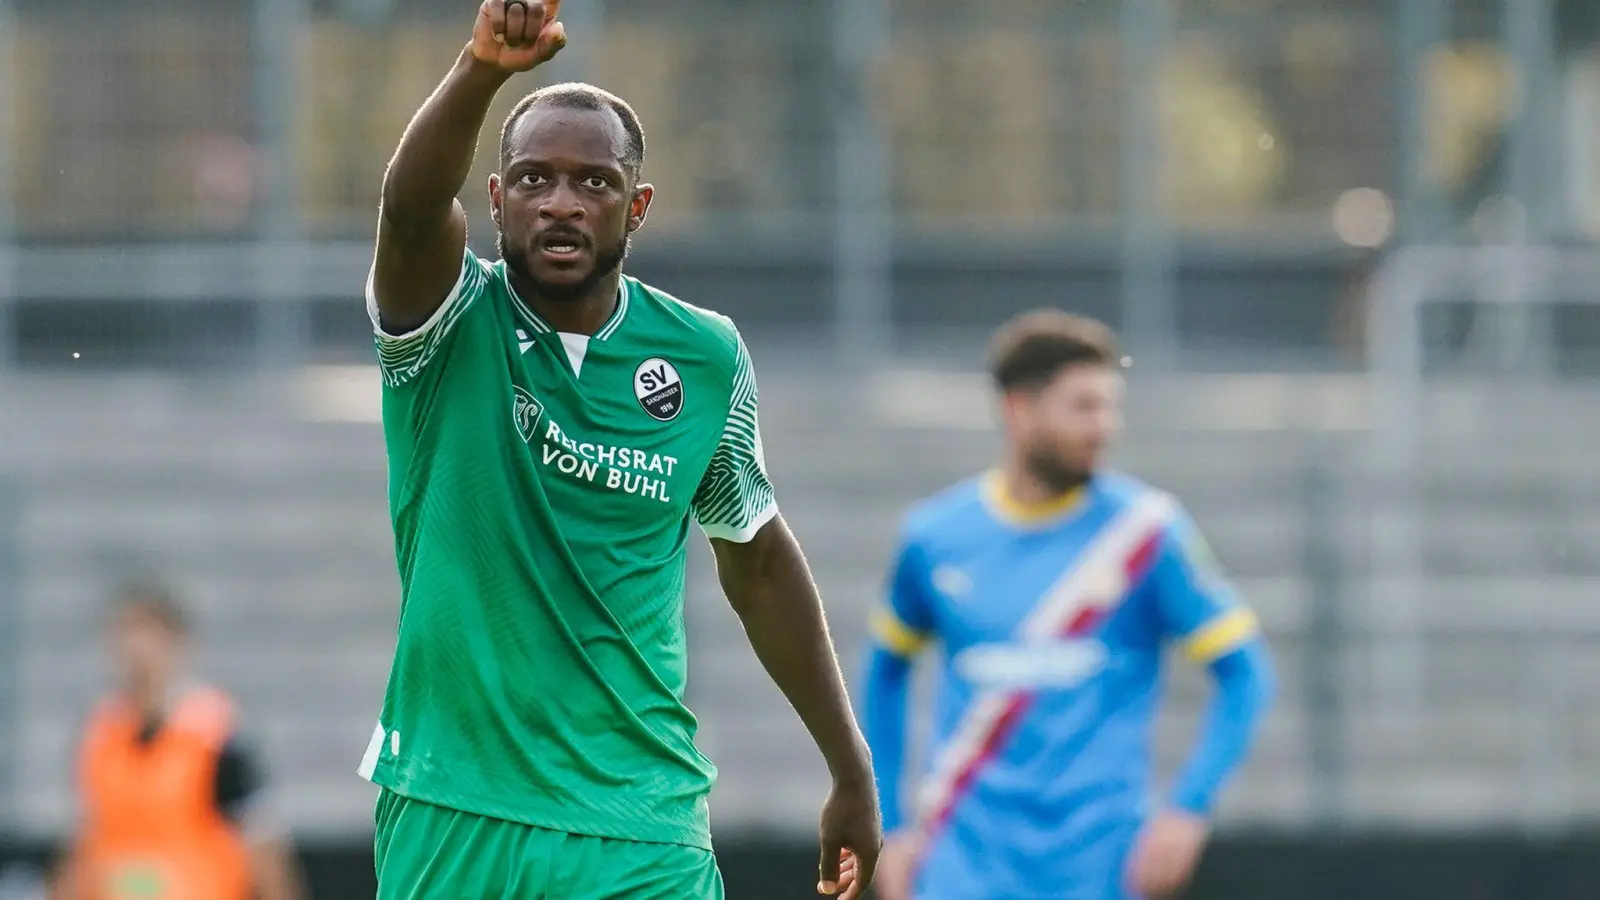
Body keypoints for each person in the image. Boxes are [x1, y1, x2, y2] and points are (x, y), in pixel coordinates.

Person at [357, 2, 880, 898]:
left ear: (635, 206)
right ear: (496, 199)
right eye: (532, 180)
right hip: (455, 804)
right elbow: (408, 212)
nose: (560, 203)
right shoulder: (449, 323)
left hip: (642, 821)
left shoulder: (704, 356)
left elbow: (755, 558)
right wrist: (484, 69)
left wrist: (850, 765)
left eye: (592, 184)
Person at [859, 310, 1276, 900]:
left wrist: (1189, 805)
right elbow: (882, 674)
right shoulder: (934, 537)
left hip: (1098, 867)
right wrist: (890, 825)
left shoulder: (1145, 536)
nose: (1104, 426)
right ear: (1019, 410)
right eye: (1083, 406)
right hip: (962, 867)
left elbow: (1246, 673)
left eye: (1111, 406)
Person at [50, 579, 304, 900]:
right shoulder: (100, 734)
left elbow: (263, 844)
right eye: (126, 633)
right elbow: (84, 842)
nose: (136, 649)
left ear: (175, 642)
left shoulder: (216, 734)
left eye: (147, 633)